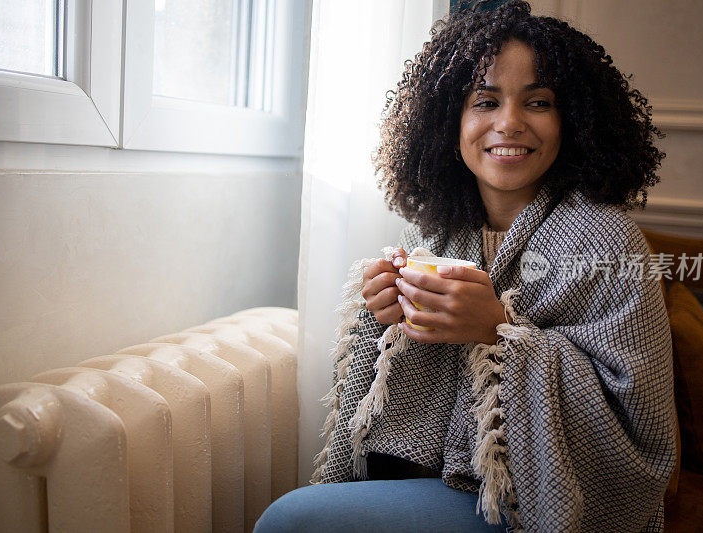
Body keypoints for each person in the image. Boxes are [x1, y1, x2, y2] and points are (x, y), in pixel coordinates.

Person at [255, 1, 676, 531]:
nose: (509, 123)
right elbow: (393, 385)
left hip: (534, 501)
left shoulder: (610, 243)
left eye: (538, 102)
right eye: (485, 100)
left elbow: (643, 434)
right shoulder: (433, 234)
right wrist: (385, 315)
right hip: (433, 476)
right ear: (448, 123)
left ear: (575, 120)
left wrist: (497, 328)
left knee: (289, 521)